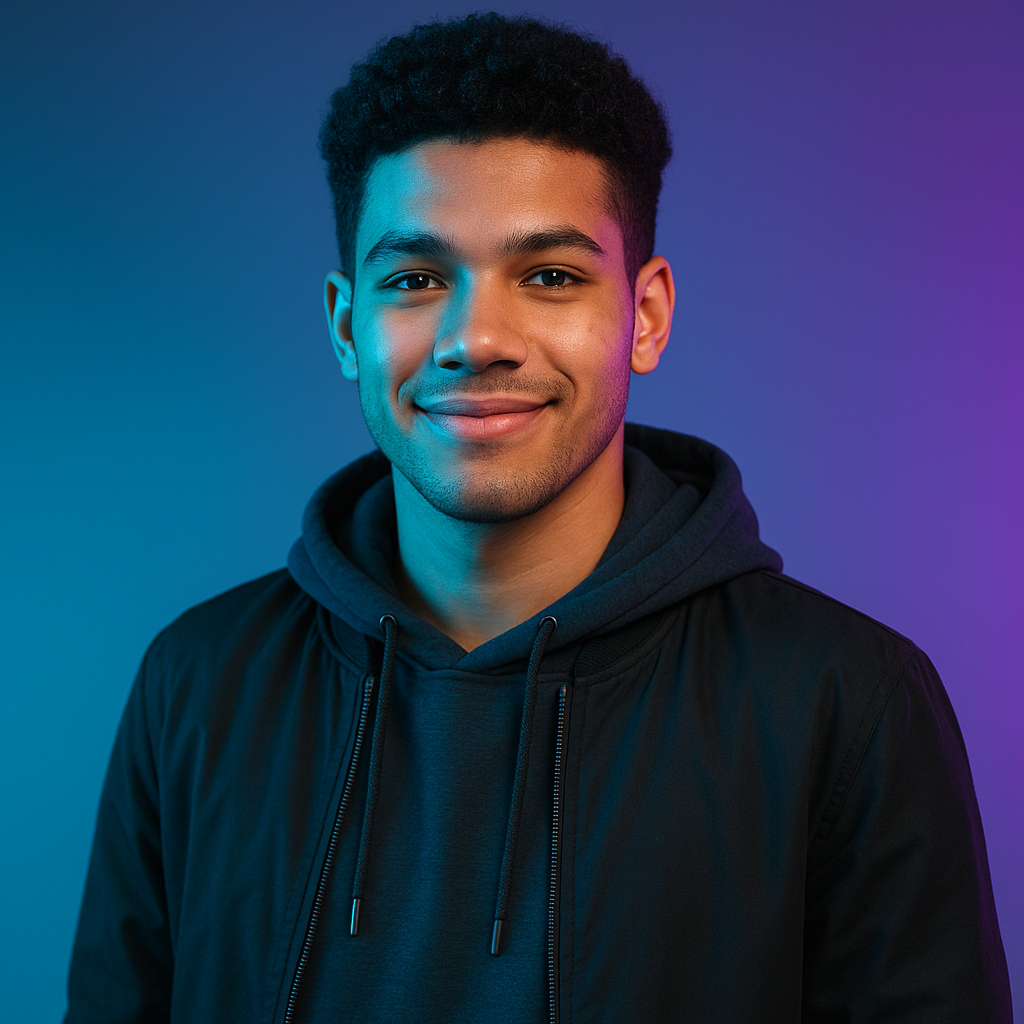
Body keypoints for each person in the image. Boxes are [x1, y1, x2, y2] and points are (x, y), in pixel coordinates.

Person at [64, 13, 1012, 1023]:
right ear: (349, 326)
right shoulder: (196, 684)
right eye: (417, 279)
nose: (477, 338)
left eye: (550, 276)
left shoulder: (845, 703)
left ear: (643, 316)